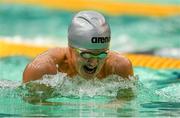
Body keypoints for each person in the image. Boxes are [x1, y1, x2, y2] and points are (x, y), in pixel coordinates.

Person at [23, 10, 133, 83]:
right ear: (70, 49)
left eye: (101, 54)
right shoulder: (43, 70)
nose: (94, 63)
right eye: (87, 54)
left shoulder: (118, 67)